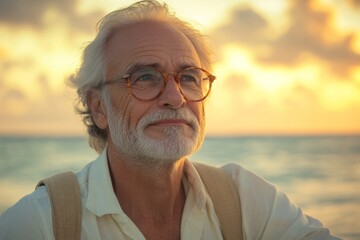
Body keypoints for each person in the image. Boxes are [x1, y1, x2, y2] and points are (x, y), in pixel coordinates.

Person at [0, 1, 339, 239]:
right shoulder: (43, 222)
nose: (176, 98)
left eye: (189, 77)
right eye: (145, 77)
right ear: (98, 106)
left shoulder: (244, 199)